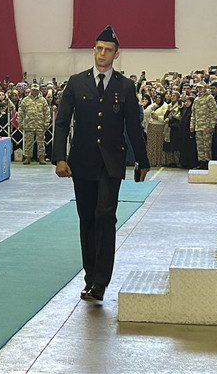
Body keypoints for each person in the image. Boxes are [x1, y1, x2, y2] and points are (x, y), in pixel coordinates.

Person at [52, 25, 149, 302]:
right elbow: (62, 122)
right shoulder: (76, 82)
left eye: (108, 50)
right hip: (81, 162)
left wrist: (142, 161)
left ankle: (101, 282)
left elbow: (133, 126)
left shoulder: (125, 86)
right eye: (98, 48)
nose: (102, 54)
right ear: (94, 50)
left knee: (105, 217)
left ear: (117, 55)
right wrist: (60, 157)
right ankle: (90, 276)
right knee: (87, 220)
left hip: (111, 163)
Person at [18, 83, 50, 164]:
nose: (34, 91)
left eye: (36, 90)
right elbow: (20, 112)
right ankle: (27, 157)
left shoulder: (43, 100)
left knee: (41, 142)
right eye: (33, 90)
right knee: (28, 142)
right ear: (31, 90)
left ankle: (41, 157)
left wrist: (47, 123)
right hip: (29, 124)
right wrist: (20, 123)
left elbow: (47, 112)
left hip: (40, 125)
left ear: (38, 90)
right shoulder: (25, 100)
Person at [190, 81, 217, 170]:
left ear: (205, 88)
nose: (200, 89)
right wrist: (192, 125)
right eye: (198, 88)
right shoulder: (196, 99)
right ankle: (201, 162)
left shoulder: (209, 98)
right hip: (198, 126)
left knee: (207, 146)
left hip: (207, 126)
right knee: (200, 146)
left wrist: (212, 125)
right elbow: (193, 113)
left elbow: (214, 112)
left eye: (201, 87)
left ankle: (207, 162)